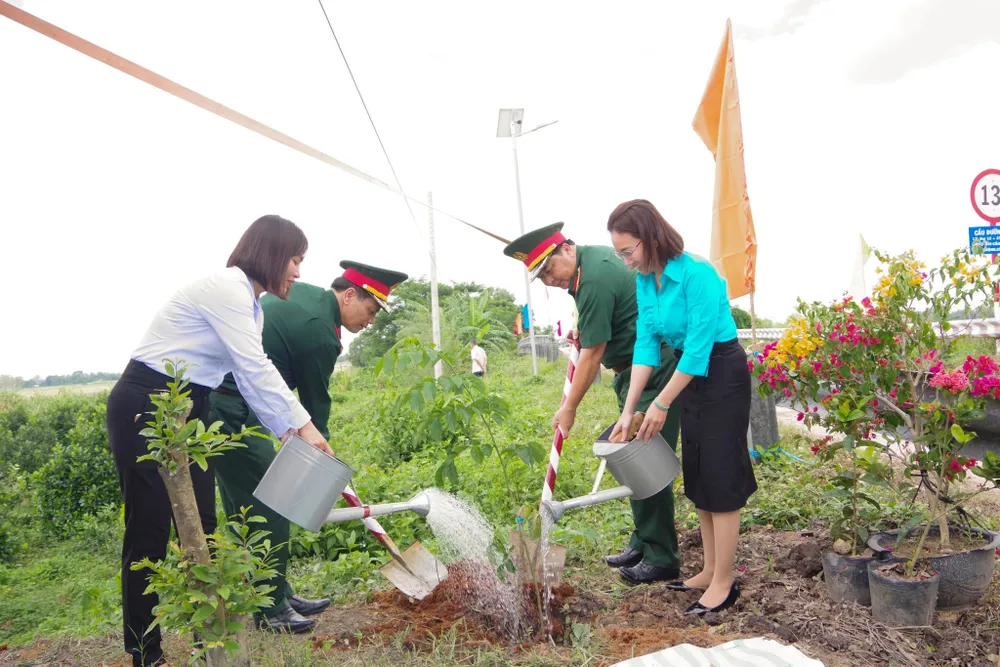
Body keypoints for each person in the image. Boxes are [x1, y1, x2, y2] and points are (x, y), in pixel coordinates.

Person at [106, 215, 333, 667]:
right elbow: (255, 367)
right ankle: (144, 652)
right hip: (147, 405)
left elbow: (249, 381)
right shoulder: (227, 290)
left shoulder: (252, 305)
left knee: (202, 530)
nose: (298, 272)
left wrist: (290, 431)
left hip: (192, 410)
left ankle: (207, 642)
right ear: (271, 254)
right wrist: (306, 426)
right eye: (295, 259)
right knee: (149, 531)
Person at [209, 261, 408, 634]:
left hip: (226, 408)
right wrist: (320, 453)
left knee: (244, 509)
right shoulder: (320, 332)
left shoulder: (306, 296)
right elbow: (316, 407)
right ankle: (270, 610)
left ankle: (276, 592)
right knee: (274, 503)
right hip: (231, 411)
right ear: (349, 295)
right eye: (370, 309)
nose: (371, 321)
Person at [503, 222, 683, 585]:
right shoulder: (590, 266)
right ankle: (644, 541)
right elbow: (602, 324)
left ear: (567, 249)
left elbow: (593, 352)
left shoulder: (594, 277)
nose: (548, 279)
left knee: (643, 458)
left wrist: (569, 407)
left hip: (653, 372)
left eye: (549, 269)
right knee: (631, 456)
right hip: (632, 374)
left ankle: (662, 555)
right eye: (541, 276)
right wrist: (583, 328)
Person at [607, 199, 756, 616]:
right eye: (619, 253)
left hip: (720, 372)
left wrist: (661, 402)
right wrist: (630, 407)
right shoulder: (645, 279)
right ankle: (709, 569)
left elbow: (699, 348)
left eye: (627, 251)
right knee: (700, 470)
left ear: (650, 238)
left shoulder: (698, 274)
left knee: (721, 475)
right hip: (688, 375)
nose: (624, 261)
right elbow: (646, 343)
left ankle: (725, 581)